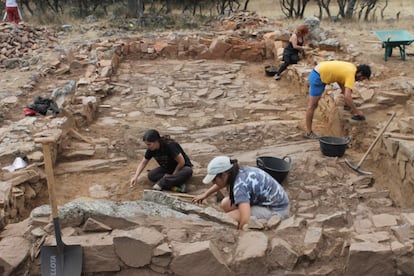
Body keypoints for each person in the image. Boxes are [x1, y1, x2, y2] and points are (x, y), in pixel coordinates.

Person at [192, 156, 289, 229]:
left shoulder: (240, 186)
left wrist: (240, 230)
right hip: (272, 201)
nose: (213, 182)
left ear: (224, 174)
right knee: (225, 203)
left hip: (276, 210)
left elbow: (246, 219)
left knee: (228, 218)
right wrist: (205, 194)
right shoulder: (238, 171)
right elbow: (220, 183)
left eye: (214, 179)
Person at [305, 61, 371, 139]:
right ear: (360, 73)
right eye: (362, 78)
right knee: (312, 106)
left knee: (348, 91)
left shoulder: (352, 67)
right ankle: (309, 133)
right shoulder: (351, 75)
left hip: (320, 71)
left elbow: (340, 79)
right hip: (317, 77)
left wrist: (349, 103)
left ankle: (348, 104)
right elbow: (347, 96)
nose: (360, 80)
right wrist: (357, 112)